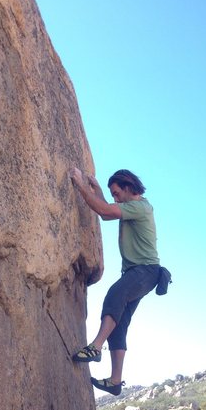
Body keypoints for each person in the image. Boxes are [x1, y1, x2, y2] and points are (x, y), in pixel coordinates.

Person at [70, 168, 162, 396]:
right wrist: (98, 190)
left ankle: (96, 347)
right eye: (112, 194)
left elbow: (105, 211)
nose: (115, 198)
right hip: (139, 273)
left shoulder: (140, 207)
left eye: (116, 193)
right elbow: (106, 212)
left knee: (114, 295)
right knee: (119, 325)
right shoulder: (133, 206)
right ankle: (115, 381)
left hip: (145, 271)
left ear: (129, 188)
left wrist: (81, 186)